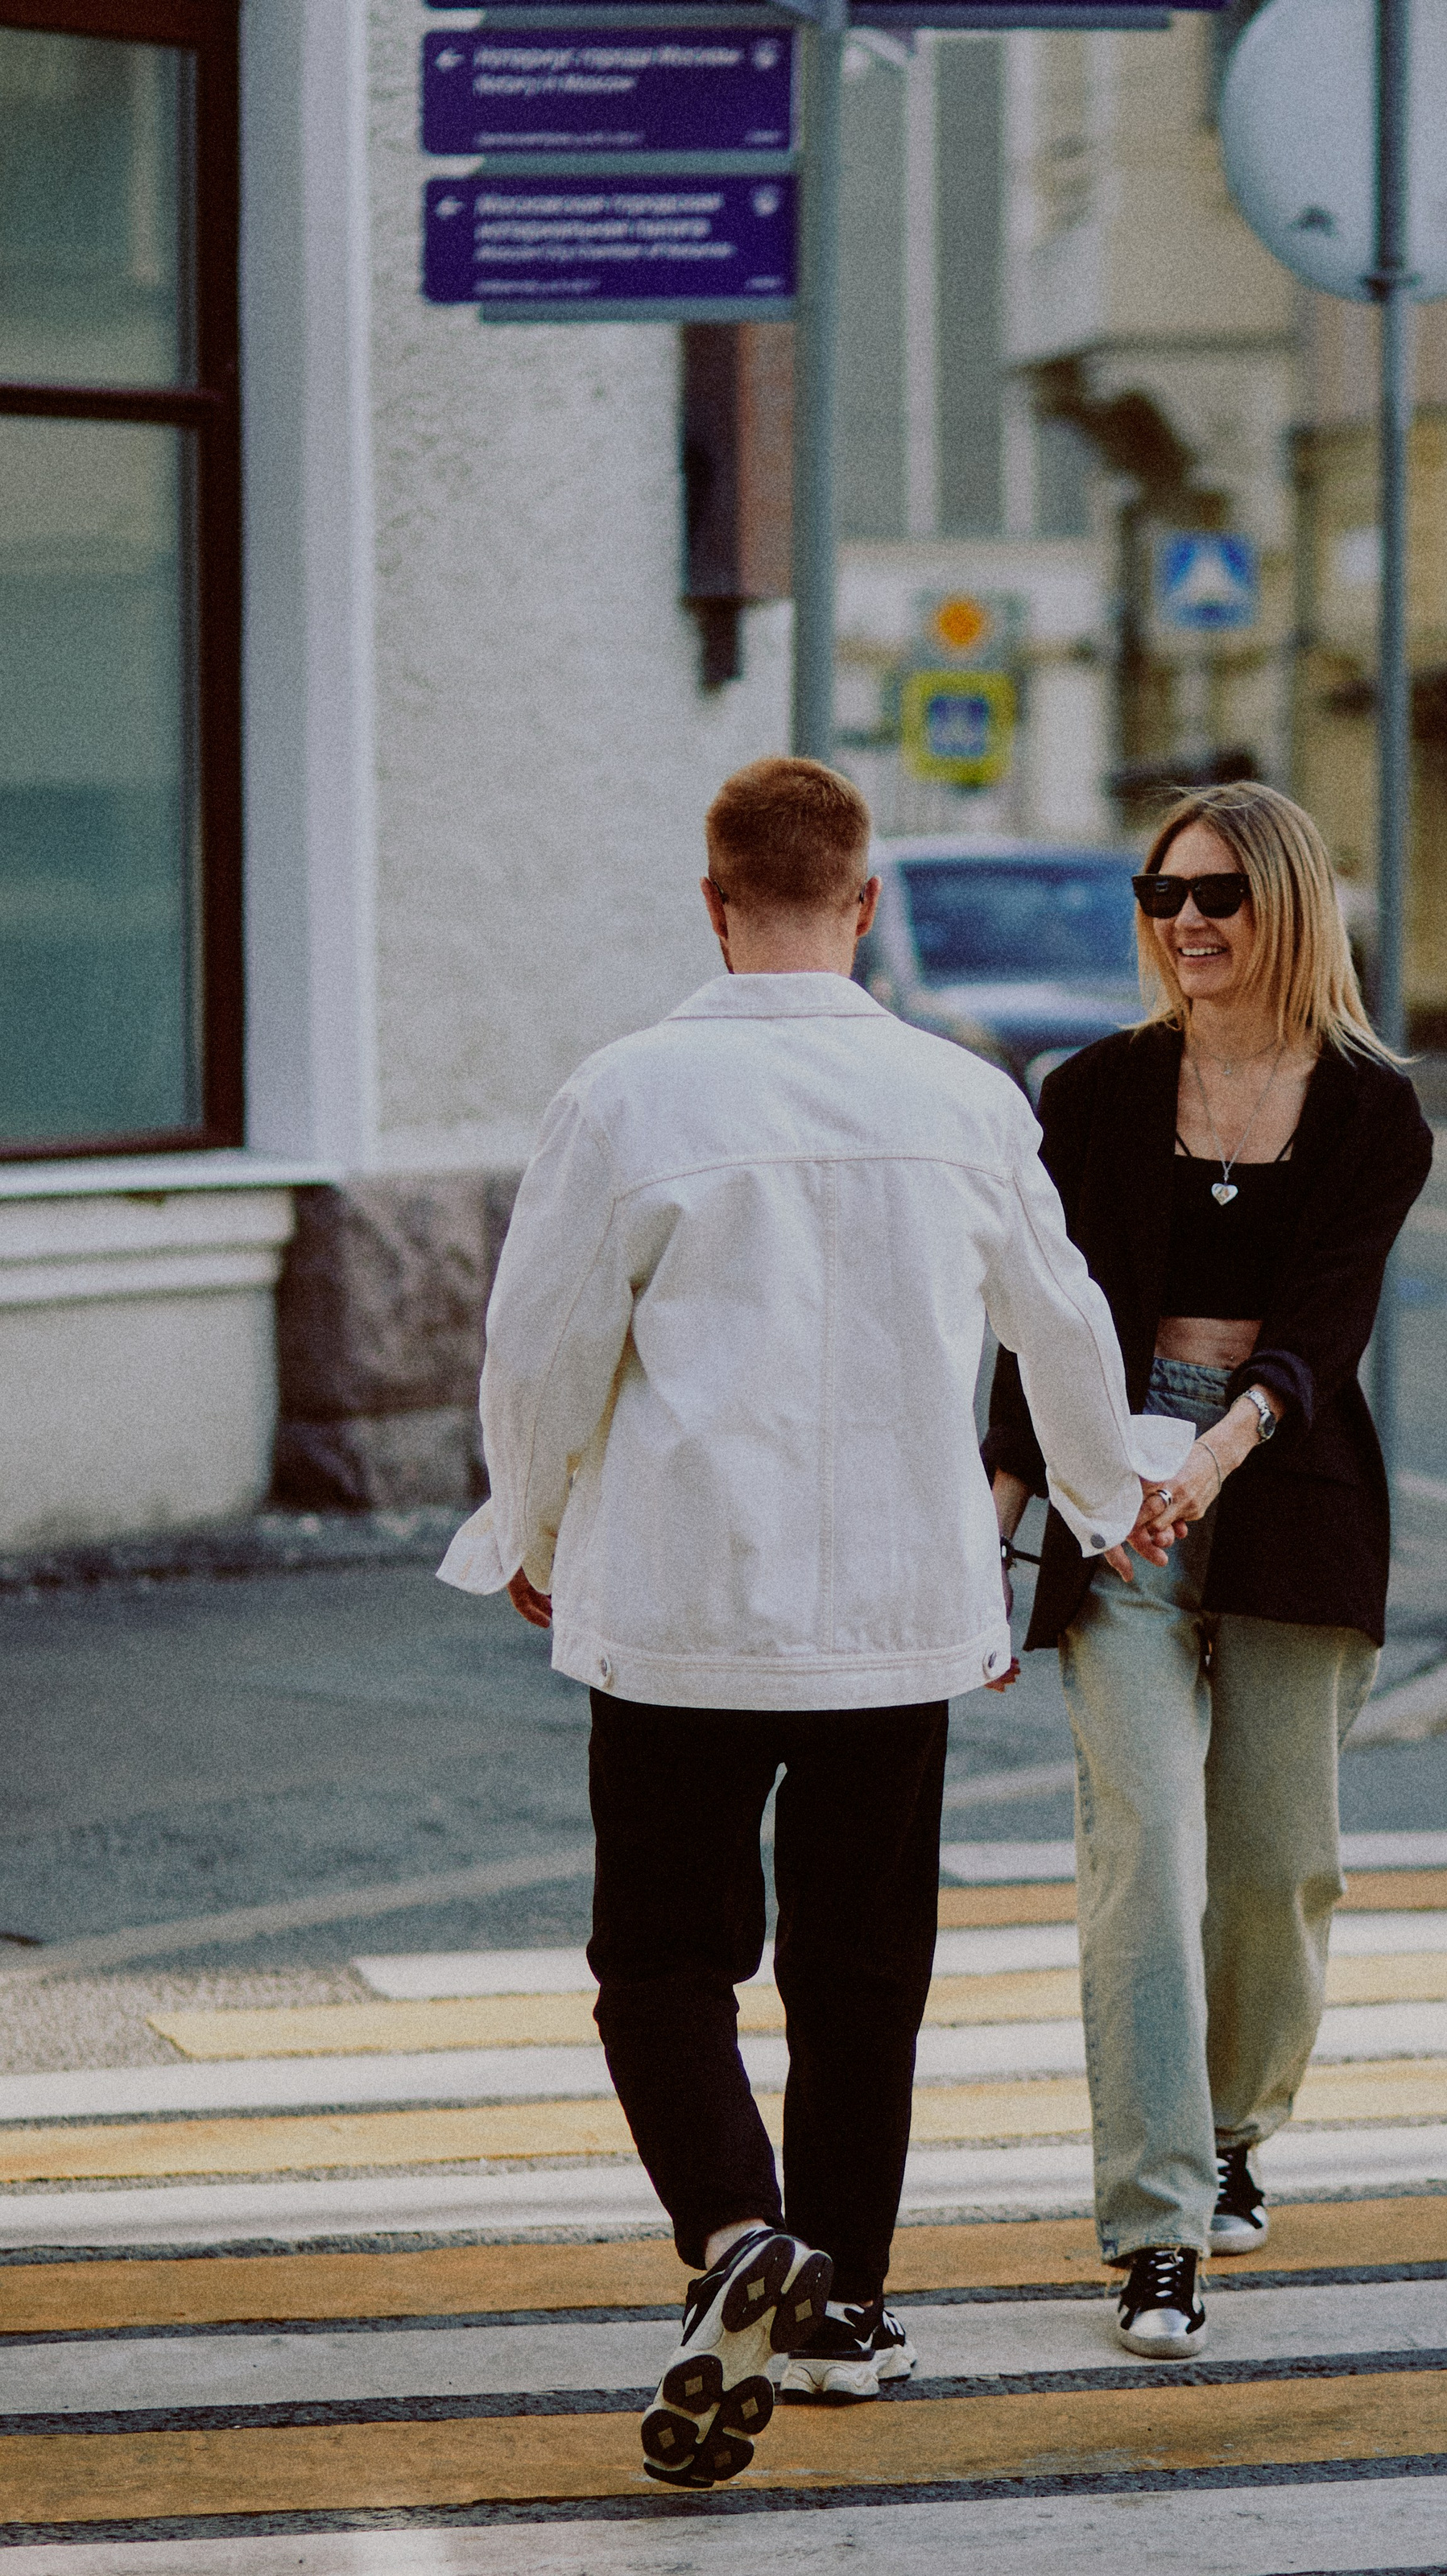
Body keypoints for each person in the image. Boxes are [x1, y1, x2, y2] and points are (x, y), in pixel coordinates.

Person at [438, 757, 1189, 2488]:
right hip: (898, 1612)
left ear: (709, 900)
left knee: (662, 1960)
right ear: (862, 906)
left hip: (681, 1600)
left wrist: (530, 1525)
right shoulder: (960, 1094)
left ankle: (730, 2235)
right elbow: (1062, 1327)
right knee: (864, 1974)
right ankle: (840, 2308)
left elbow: (536, 1347)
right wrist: (1096, 1496)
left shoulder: (623, 1097)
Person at [984, 781, 1433, 2358]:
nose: (1184, 924)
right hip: (1114, 1488)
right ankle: (1155, 2226)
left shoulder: (1373, 1108)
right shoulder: (1091, 1090)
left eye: (1218, 897)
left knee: (1271, 1865)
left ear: (1285, 908)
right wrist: (1003, 1510)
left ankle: (1236, 2125)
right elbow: (1037, 1322)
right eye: (1161, 894)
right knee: (1142, 1861)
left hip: (1284, 1481)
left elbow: (1324, 1324)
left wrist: (1217, 1451)